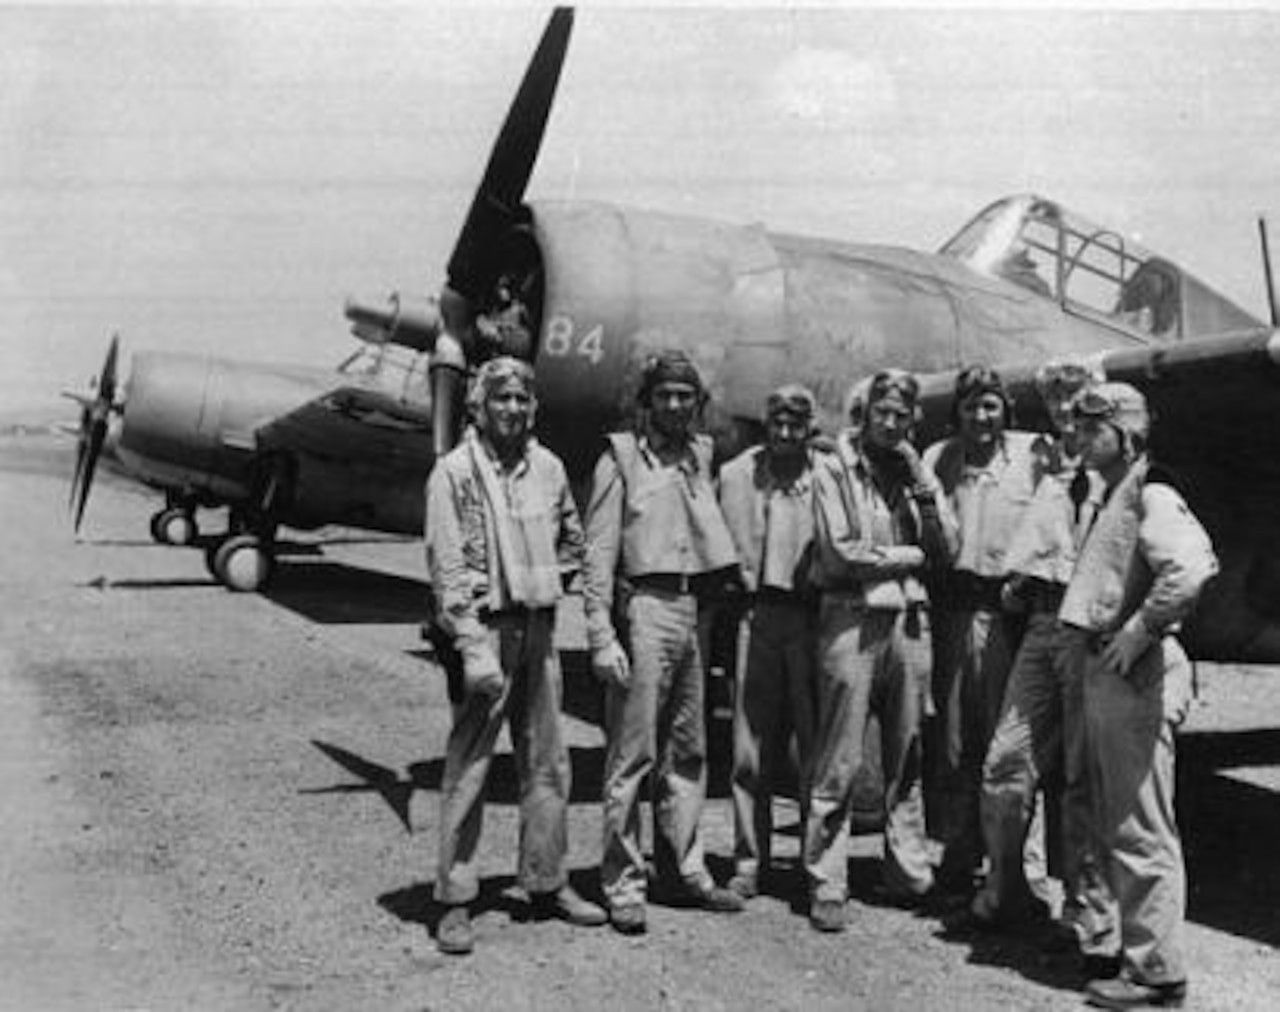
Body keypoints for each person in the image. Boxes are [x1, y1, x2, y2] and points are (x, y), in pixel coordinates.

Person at [424, 356, 606, 956]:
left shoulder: (549, 468)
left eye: (521, 399)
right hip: (486, 632)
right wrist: (472, 646)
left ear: (533, 407)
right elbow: (447, 570)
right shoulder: (453, 473)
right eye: (500, 398)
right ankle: (453, 898)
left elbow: (573, 538)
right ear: (479, 405)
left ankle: (547, 882)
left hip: (539, 630)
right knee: (471, 765)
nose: (511, 408)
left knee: (549, 764)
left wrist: (553, 584)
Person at [1060, 383, 1216, 1010]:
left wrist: (1139, 629)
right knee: (1115, 820)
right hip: (1111, 671)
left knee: (1141, 826)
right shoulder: (1114, 491)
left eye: (1091, 425)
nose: (1079, 434)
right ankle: (1132, 953)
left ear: (1123, 433)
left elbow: (1192, 566)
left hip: (1136, 673)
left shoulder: (1153, 490)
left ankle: (1158, 975)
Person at [583, 348, 746, 934]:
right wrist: (602, 635)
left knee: (688, 748)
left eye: (685, 396)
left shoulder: (700, 455)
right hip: (643, 607)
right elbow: (597, 555)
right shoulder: (620, 460)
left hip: (691, 607)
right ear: (646, 403)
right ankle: (623, 882)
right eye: (664, 396)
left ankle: (682, 870)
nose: (675, 405)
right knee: (633, 756)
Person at [966, 361, 1115, 948]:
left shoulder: (1117, 470)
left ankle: (1088, 912)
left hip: (1087, 629)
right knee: (1005, 763)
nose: (1063, 406)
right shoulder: (1045, 461)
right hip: (1039, 622)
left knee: (1083, 776)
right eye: (1053, 396)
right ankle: (1007, 892)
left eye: (1076, 396)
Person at [803, 369, 959, 932]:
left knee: (908, 753)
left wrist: (921, 482)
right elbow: (842, 550)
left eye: (901, 416)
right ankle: (827, 880)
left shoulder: (916, 473)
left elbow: (949, 546)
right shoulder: (831, 467)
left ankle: (909, 873)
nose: (890, 424)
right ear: (863, 415)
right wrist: (909, 556)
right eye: (881, 413)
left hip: (910, 624)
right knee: (840, 755)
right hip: (851, 618)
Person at [922, 366, 1050, 904]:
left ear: (1006, 411)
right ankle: (958, 851)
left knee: (1011, 742)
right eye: (972, 406)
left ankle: (1020, 866)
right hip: (953, 609)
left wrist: (1028, 582)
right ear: (958, 413)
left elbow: (1055, 519)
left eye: (991, 406)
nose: (981, 416)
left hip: (1005, 613)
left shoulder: (1034, 455)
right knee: (954, 742)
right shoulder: (938, 458)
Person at [717, 383, 825, 901]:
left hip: (810, 622)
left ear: (811, 429)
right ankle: (747, 862)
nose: (785, 433)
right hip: (755, 618)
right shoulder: (736, 475)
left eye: (796, 425)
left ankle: (816, 867)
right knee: (749, 750)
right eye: (777, 422)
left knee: (813, 749)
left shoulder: (827, 477)